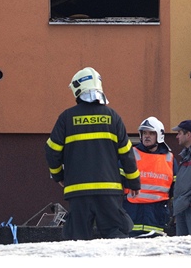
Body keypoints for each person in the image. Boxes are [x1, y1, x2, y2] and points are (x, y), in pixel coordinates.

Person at [44, 66, 141, 240]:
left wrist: (59, 175)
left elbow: (52, 150)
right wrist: (133, 182)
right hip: (109, 190)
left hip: (78, 191)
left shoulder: (66, 118)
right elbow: (127, 153)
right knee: (115, 236)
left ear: (78, 89)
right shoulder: (113, 117)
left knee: (78, 240)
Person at [122, 116, 178, 237]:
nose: (147, 136)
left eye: (151, 133)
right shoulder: (131, 154)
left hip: (157, 215)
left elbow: (176, 189)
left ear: (159, 135)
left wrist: (175, 213)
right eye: (144, 133)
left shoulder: (169, 158)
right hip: (132, 212)